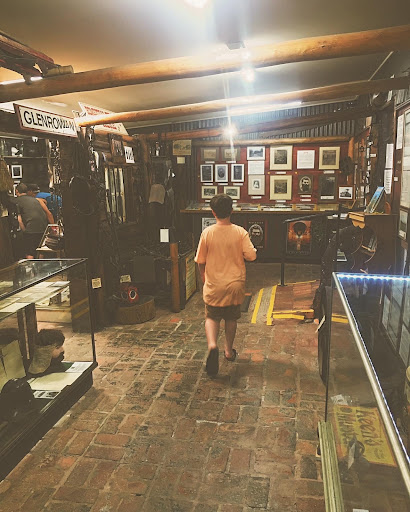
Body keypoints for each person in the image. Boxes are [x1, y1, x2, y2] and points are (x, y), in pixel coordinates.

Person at [195, 194, 257, 376]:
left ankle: (212, 345)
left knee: (212, 317)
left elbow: (200, 260)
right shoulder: (240, 232)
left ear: (213, 212)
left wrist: (204, 278)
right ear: (232, 210)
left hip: (214, 284)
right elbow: (251, 256)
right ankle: (228, 351)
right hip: (234, 285)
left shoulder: (207, 233)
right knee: (231, 318)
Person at [14, 183, 50, 258]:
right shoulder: (35, 200)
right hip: (43, 228)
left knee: (29, 252)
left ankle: (30, 265)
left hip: (31, 229)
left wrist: (24, 231)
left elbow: (19, 219)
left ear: (17, 191)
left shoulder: (16, 201)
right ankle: (40, 264)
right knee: (40, 250)